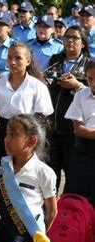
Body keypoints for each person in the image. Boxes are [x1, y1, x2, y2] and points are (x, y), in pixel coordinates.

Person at [0, 114, 58, 242]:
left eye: (14, 134)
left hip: (30, 236)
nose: (7, 139)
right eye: (7, 134)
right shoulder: (1, 168)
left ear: (31, 141)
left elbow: (52, 211)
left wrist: (38, 234)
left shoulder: (44, 172)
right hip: (3, 231)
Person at [0, 42, 53, 166]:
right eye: (10, 57)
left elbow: (41, 122)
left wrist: (34, 149)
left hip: (26, 135)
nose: (12, 62)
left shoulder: (37, 86)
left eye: (18, 58)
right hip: (3, 132)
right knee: (0, 179)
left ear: (28, 61)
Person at [45, 26, 90, 190]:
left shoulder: (90, 64)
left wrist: (78, 85)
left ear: (83, 43)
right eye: (67, 37)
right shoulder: (54, 60)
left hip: (74, 129)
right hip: (52, 126)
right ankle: (49, 211)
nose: (70, 40)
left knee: (73, 176)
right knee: (50, 175)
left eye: (75, 38)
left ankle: (71, 212)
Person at [64, 60, 95, 205]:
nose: (93, 83)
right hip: (84, 152)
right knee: (79, 198)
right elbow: (79, 129)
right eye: (90, 79)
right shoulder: (81, 95)